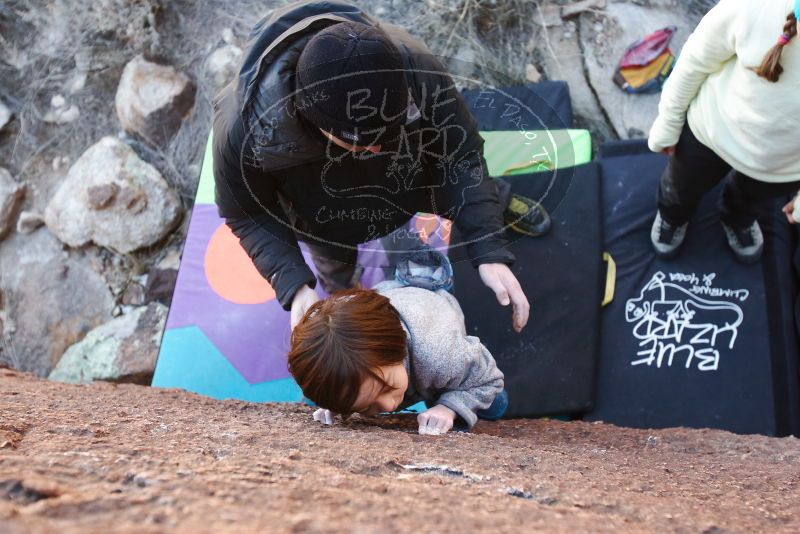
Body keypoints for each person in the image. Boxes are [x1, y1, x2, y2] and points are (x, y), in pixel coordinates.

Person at [212, 1, 541, 333]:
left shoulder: (411, 64)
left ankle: (498, 199)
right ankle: (343, 291)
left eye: (388, 132)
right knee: (336, 273)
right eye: (361, 142)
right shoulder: (243, 130)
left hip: (413, 180)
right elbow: (247, 212)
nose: (375, 148)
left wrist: (487, 245)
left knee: (473, 192)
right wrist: (295, 286)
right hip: (322, 220)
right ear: (317, 122)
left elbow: (460, 153)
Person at [287, 248, 507, 435]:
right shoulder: (344, 348)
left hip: (435, 327)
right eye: (368, 406)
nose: (389, 405)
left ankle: (462, 375)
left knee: (493, 405)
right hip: (388, 298)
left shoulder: (441, 354)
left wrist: (449, 407)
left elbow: (489, 381)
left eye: (387, 387)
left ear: (399, 349)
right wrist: (336, 403)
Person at [648, 0, 800, 263]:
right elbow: (694, 61)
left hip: (781, 168)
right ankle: (673, 216)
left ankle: (737, 219)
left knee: (748, 202)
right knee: (680, 188)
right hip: (710, 131)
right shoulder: (755, 6)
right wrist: (669, 121)